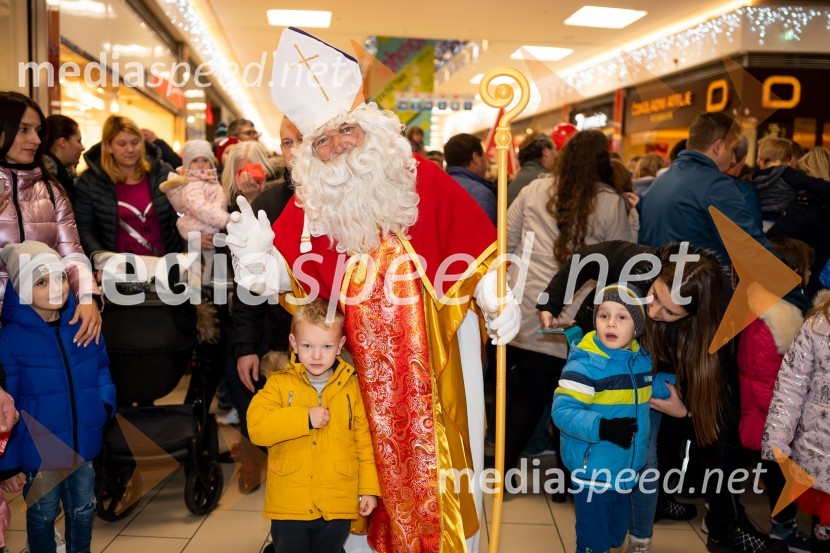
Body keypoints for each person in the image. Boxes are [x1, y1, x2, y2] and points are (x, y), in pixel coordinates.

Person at [227, 27, 520, 553]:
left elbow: (474, 248)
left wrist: (497, 294)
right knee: (365, 476)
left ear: (369, 127)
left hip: (436, 363)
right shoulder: (312, 203)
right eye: (322, 141)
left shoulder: (422, 178)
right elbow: (296, 286)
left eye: (346, 131)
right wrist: (260, 267)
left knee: (440, 473)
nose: (337, 147)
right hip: (356, 376)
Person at [538, 240, 788, 553]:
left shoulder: (712, 335)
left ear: (693, 316)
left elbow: (717, 416)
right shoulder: (638, 264)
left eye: (669, 311)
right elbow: (583, 258)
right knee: (632, 465)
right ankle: (624, 531)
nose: (653, 311)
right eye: (654, 296)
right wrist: (550, 303)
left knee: (645, 458)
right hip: (599, 358)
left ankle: (642, 537)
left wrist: (685, 413)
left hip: (645, 370)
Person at [505, 130, 634, 501]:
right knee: (575, 398)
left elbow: (509, 241)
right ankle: (566, 481)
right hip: (578, 314)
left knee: (525, 398)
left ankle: (504, 471)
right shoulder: (610, 201)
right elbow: (618, 260)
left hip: (528, 309)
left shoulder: (534, 190)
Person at [0, 240, 115, 553]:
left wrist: (104, 406)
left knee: (83, 509)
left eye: (61, 277)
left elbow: (102, 372)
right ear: (22, 290)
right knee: (43, 513)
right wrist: (8, 466)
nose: (56, 288)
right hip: (39, 455)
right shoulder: (10, 340)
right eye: (41, 281)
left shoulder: (84, 324)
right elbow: (4, 410)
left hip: (84, 445)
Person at [247, 299, 380, 553]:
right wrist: (303, 418)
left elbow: (363, 442)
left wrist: (368, 490)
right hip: (290, 502)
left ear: (340, 346)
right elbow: (257, 427)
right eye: (307, 345)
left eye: (326, 346)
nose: (317, 355)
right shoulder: (278, 384)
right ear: (294, 343)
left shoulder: (352, 387)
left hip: (336, 500)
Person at [552, 283, 652, 553]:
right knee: (594, 542)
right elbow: (562, 412)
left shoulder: (641, 361)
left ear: (637, 327)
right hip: (592, 470)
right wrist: (603, 427)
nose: (611, 323)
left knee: (615, 535)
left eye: (622, 317)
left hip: (625, 469)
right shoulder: (584, 365)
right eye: (603, 315)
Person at [230, 118, 300, 494]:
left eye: (304, 139)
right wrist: (245, 348)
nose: (296, 151)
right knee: (285, 434)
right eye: (287, 143)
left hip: (341, 344)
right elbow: (248, 286)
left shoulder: (350, 200)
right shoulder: (271, 202)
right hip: (279, 340)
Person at [0, 91, 101, 345]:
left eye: (37, 130)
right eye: (23, 129)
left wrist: (88, 297)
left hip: (46, 324)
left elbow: (71, 252)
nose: (34, 139)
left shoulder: (51, 190)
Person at [738, 237, 812, 552]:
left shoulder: (758, 304)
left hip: (760, 411)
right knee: (779, 476)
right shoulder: (781, 317)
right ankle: (783, 529)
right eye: (808, 270)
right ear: (794, 272)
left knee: (765, 470)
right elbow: (769, 378)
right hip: (771, 415)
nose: (811, 276)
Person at [763, 289, 830, 553]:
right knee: (823, 535)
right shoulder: (818, 326)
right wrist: (777, 438)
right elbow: (791, 386)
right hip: (821, 455)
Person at [74, 115, 182, 260]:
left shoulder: (162, 173)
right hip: (119, 272)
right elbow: (85, 228)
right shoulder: (91, 181)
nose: (130, 149)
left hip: (165, 267)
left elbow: (180, 215)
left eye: (135, 142)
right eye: (122, 144)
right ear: (108, 146)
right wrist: (101, 259)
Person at [444, 133, 497, 225]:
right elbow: (484, 236)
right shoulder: (480, 194)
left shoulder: (436, 186)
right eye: (484, 156)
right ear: (476, 158)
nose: (486, 161)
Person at [221, 140, 280, 207]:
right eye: (240, 173)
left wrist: (254, 198)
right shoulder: (229, 195)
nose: (244, 179)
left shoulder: (278, 191)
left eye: (249, 173)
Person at [43, 114, 84, 203]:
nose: (82, 147)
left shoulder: (66, 175)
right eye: (79, 141)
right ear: (62, 142)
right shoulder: (47, 180)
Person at [506, 132, 555, 206]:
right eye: (556, 149)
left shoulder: (513, 184)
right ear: (546, 152)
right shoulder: (547, 181)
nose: (557, 154)